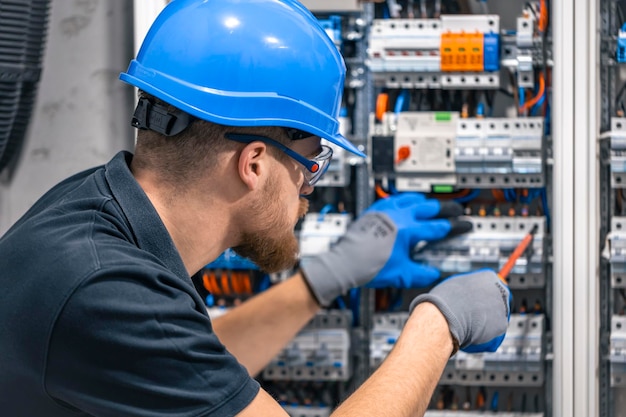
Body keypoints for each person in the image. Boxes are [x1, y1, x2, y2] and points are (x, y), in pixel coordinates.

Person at [0, 0, 511, 416]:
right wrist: (439, 324)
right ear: (255, 164)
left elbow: (188, 367)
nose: (310, 188)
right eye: (313, 163)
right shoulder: (106, 290)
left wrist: (328, 278)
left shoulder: (93, 211)